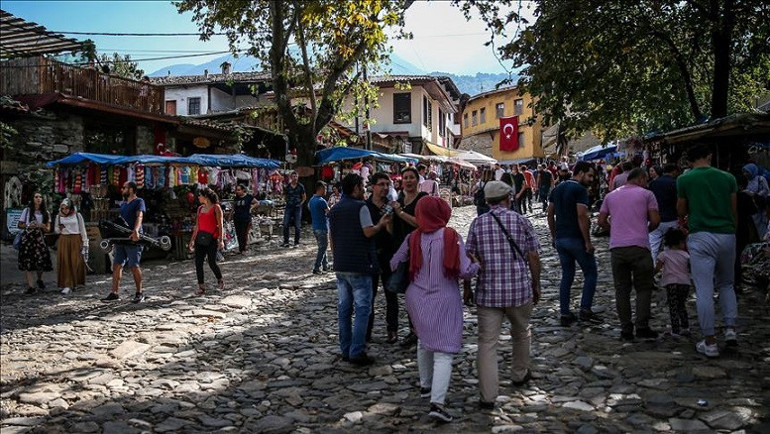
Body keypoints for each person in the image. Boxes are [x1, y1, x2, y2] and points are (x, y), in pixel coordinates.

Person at [390, 196, 478, 422]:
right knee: (444, 352)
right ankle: (437, 404)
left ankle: (425, 386)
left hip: (416, 297)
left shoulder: (413, 237)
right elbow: (465, 271)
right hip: (444, 298)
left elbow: (394, 262)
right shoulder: (451, 237)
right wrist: (477, 263)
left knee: (424, 341)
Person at [465, 181, 541, 410]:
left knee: (487, 343)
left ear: (487, 201)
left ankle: (488, 395)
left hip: (488, 293)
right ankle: (519, 373)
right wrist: (536, 284)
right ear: (509, 198)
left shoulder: (477, 224)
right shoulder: (521, 221)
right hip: (518, 290)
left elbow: (469, 258)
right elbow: (533, 256)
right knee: (521, 333)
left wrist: (467, 287)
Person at [677, 143, 738, 358]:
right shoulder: (728, 178)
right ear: (709, 156)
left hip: (700, 235)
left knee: (703, 289)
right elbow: (733, 209)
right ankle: (731, 330)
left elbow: (681, 210)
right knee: (727, 283)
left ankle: (710, 341)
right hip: (726, 234)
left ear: (690, 160)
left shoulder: (684, 179)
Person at [328, 173, 391, 366]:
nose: (364, 189)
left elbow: (332, 237)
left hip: (341, 265)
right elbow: (368, 231)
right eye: (362, 185)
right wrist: (380, 224)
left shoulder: (335, 209)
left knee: (344, 310)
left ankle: (345, 348)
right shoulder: (360, 207)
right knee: (363, 309)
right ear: (355, 187)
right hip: (360, 264)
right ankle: (357, 350)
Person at [598, 168, 661, 341]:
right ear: (641, 178)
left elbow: (601, 221)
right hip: (640, 247)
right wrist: (645, 231)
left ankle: (626, 329)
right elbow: (655, 220)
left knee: (621, 289)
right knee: (643, 288)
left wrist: (615, 230)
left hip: (617, 248)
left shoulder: (611, 196)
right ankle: (642, 326)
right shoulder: (647, 194)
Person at [547, 161, 601, 326]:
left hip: (561, 239)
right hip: (575, 238)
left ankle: (565, 312)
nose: (591, 179)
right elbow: (582, 216)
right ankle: (585, 308)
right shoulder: (579, 190)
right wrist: (588, 242)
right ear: (581, 172)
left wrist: (554, 236)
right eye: (590, 175)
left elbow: (550, 214)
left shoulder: (557, 188)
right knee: (590, 272)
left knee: (567, 276)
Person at [390, 167, 429, 347]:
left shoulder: (423, 200)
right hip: (404, 251)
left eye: (411, 177)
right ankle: (414, 330)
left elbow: (422, 224)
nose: (408, 181)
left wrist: (400, 213)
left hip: (421, 251)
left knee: (421, 292)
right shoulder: (398, 199)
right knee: (409, 294)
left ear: (417, 179)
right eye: (405, 178)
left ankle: (424, 329)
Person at [365, 173, 397, 343]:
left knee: (390, 294)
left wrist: (390, 223)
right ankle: (366, 330)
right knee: (368, 296)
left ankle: (392, 329)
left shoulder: (391, 207)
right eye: (381, 184)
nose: (385, 187)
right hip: (370, 256)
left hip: (387, 254)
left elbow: (394, 235)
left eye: (387, 184)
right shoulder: (364, 207)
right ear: (373, 186)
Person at [103, 181, 146, 303]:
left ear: (131, 190)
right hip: (121, 239)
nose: (122, 189)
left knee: (134, 265)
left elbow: (139, 216)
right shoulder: (124, 204)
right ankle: (114, 292)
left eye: (124, 187)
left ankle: (139, 292)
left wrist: (136, 231)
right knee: (116, 265)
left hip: (133, 239)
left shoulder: (139, 201)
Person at [188, 188, 225, 296]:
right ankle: (201, 286)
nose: (198, 197)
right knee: (198, 262)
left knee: (211, 262)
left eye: (200, 195)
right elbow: (197, 226)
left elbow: (220, 224)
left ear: (206, 197)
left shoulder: (216, 208)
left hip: (212, 239)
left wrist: (221, 240)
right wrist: (192, 240)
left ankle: (220, 280)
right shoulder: (200, 209)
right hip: (200, 238)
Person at [655, 228, 691, 337]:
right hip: (685, 283)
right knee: (681, 305)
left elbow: (657, 268)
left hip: (671, 284)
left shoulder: (664, 255)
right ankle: (685, 327)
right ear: (680, 242)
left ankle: (675, 330)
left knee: (673, 307)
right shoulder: (686, 256)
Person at [17, 192, 52, 294]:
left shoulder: (46, 213)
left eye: (40, 197)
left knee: (40, 262)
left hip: (40, 239)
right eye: (36, 197)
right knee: (28, 262)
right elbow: (20, 224)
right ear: (32, 199)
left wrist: (43, 226)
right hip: (28, 239)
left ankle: (39, 279)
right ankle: (31, 286)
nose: (38, 199)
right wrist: (28, 226)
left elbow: (48, 229)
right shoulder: (27, 211)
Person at [54, 198, 88, 295]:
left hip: (75, 239)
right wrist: (60, 229)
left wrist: (85, 243)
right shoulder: (59, 217)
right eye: (63, 208)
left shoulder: (77, 215)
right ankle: (67, 284)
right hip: (64, 240)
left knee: (75, 261)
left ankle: (75, 282)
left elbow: (82, 229)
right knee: (65, 262)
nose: (65, 210)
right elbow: (56, 229)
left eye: (67, 208)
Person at [648, 164, 680, 264]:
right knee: (670, 247)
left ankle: (652, 268)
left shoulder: (653, 184)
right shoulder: (674, 183)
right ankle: (669, 268)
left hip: (656, 218)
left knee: (653, 246)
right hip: (671, 218)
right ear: (674, 171)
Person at [308, 181, 331, 275]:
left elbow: (309, 208)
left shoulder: (311, 200)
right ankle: (317, 267)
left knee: (322, 246)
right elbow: (329, 213)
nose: (326, 190)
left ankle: (326, 265)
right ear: (320, 189)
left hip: (315, 226)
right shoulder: (322, 201)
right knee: (323, 247)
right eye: (325, 188)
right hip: (322, 227)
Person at [742, 163, 769, 239]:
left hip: (761, 208)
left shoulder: (760, 179)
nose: (745, 174)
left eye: (747, 172)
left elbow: (766, 190)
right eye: (744, 172)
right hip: (754, 209)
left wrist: (754, 194)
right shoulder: (749, 181)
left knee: (764, 228)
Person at [281, 171, 306, 248]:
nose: (294, 178)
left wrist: (300, 204)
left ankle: (296, 242)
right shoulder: (288, 187)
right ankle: (286, 242)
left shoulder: (300, 186)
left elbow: (304, 197)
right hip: (289, 207)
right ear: (291, 178)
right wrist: (287, 202)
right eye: (293, 176)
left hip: (297, 208)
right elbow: (284, 196)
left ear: (297, 177)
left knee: (297, 226)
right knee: (285, 224)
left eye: (296, 176)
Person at [231, 184, 257, 255]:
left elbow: (257, 202)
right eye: (236, 190)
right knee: (238, 234)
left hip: (246, 218)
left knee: (244, 233)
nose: (237, 192)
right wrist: (230, 216)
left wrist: (251, 208)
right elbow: (233, 207)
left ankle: (244, 248)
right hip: (237, 218)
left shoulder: (249, 197)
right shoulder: (236, 198)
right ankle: (240, 248)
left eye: (239, 190)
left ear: (243, 190)